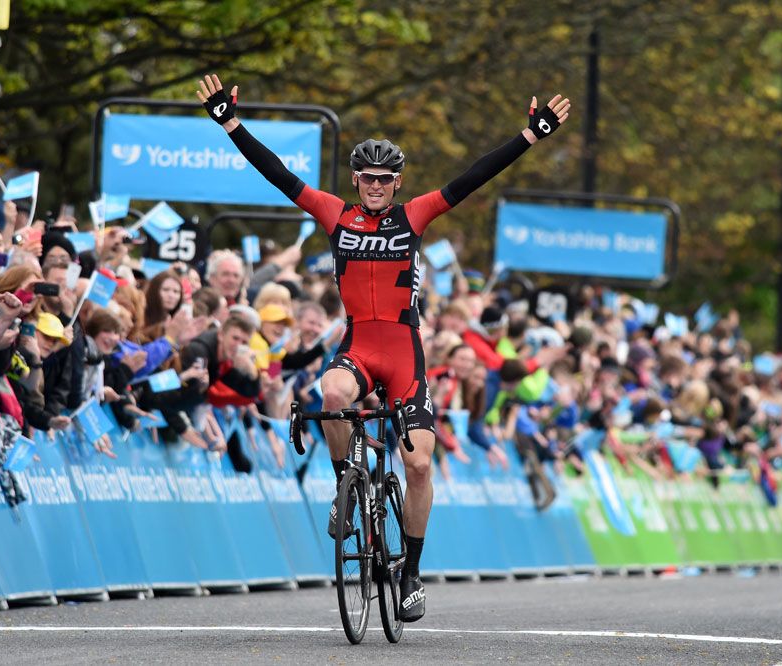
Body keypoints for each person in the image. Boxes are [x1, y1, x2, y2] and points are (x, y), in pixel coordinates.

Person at [198, 72, 570, 622]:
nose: (375, 185)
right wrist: (231, 124)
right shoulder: (334, 214)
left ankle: (412, 573)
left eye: (385, 178)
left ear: (397, 182)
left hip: (404, 356)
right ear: (355, 179)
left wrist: (529, 137)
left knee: (418, 465)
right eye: (367, 177)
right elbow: (278, 174)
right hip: (359, 346)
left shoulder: (413, 215)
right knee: (331, 391)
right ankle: (345, 486)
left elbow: (471, 179)